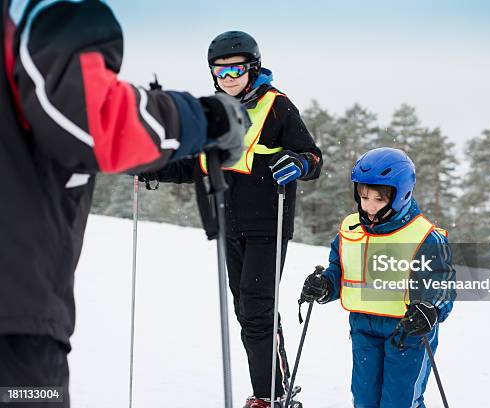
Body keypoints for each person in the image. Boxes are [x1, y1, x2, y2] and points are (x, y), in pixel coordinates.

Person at [0, 1, 248, 406]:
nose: (229, 76)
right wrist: (201, 119)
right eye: (223, 69)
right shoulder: (50, 8)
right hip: (15, 325)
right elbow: (88, 117)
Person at [139, 31, 322, 408]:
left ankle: (268, 396)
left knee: (255, 309)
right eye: (220, 73)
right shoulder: (215, 111)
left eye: (236, 71)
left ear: (253, 68)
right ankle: (277, 383)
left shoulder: (277, 106)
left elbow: (312, 157)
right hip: (229, 222)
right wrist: (156, 169)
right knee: (249, 309)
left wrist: (298, 163)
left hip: (269, 222)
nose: (228, 79)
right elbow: (197, 165)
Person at [300, 148, 455, 408]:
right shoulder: (349, 231)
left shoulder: (424, 236)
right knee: (365, 399)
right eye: (363, 197)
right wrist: (325, 285)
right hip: (363, 327)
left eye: (379, 200)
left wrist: (431, 308)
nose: (369, 206)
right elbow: (340, 270)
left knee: (400, 402)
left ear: (401, 195)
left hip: (408, 331)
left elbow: (441, 282)